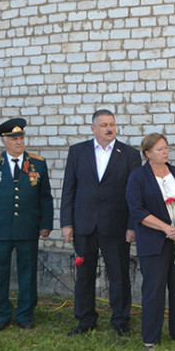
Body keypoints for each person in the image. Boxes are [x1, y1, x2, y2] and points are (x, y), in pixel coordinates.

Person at [60, 109, 141, 337]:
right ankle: (85, 319)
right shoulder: (77, 152)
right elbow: (69, 189)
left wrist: (131, 225)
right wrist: (67, 223)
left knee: (119, 275)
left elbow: (135, 194)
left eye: (112, 124)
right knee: (84, 275)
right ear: (93, 129)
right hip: (84, 225)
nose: (109, 129)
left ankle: (121, 320)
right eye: (104, 125)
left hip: (115, 226)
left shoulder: (129, 154)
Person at [126, 133, 175, 351]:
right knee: (154, 289)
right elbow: (137, 210)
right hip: (153, 241)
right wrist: (166, 228)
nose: (165, 152)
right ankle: (151, 337)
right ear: (147, 153)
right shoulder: (138, 177)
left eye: (166, 148)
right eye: (160, 149)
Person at [0, 118, 53, 331]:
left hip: (27, 228)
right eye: (13, 139)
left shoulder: (37, 163)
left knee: (27, 272)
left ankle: (25, 314)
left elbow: (45, 196)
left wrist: (46, 223)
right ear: (4, 142)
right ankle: (0, 313)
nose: (19, 142)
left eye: (21, 138)